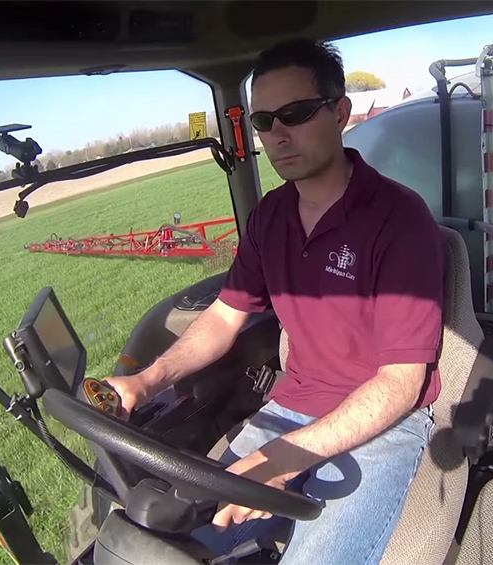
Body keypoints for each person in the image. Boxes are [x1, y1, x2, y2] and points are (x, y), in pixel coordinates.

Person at [105, 37, 446, 565]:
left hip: (386, 426)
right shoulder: (270, 216)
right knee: (164, 547)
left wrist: (282, 459)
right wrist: (147, 381)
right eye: (264, 122)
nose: (278, 135)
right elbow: (223, 317)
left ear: (340, 112)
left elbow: (401, 384)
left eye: (295, 113)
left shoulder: (400, 220)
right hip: (292, 404)